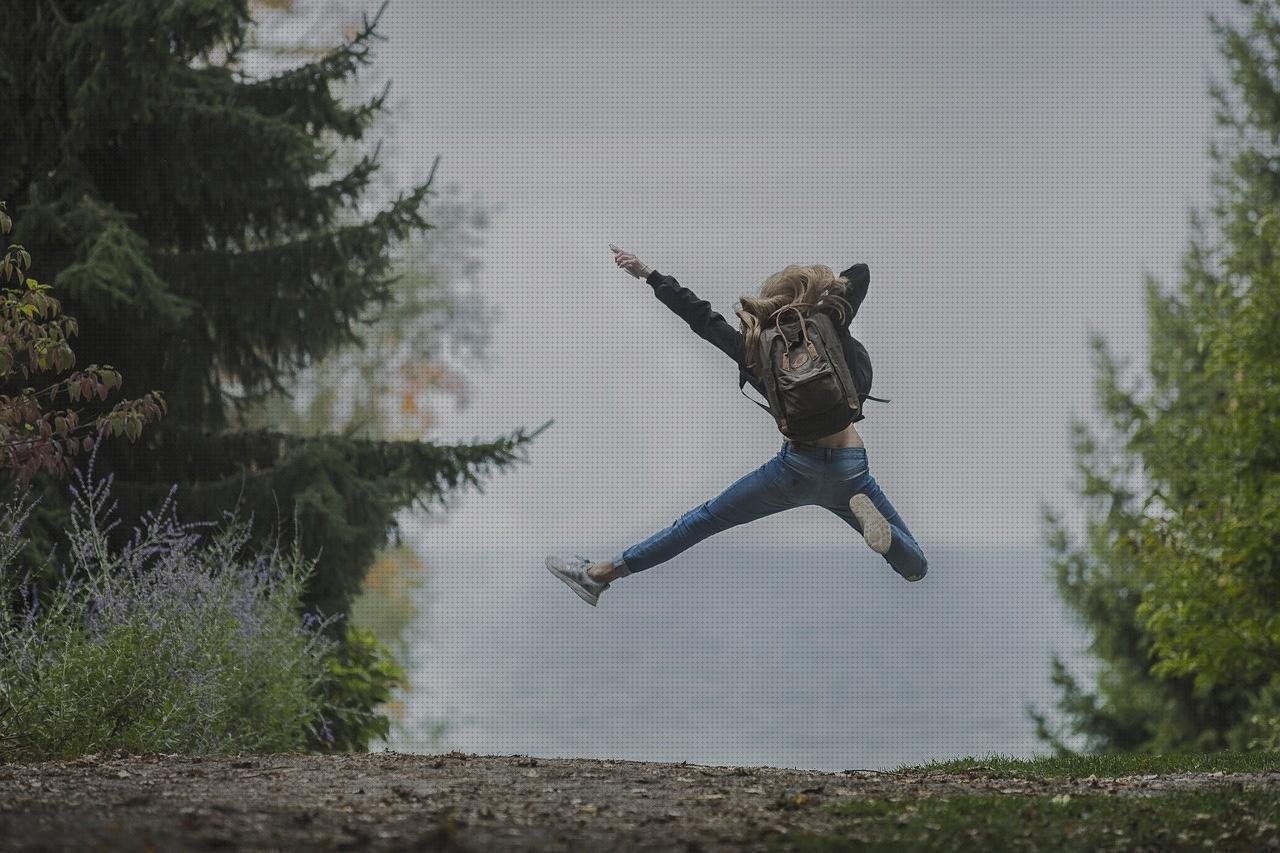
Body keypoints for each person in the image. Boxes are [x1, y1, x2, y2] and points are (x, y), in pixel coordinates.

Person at [545, 245, 928, 606]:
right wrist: (821, 296)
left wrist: (648, 274)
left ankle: (598, 575)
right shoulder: (829, 323)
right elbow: (859, 273)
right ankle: (890, 542)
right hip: (850, 469)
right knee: (916, 567)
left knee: (700, 521)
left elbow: (701, 318)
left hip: (795, 470)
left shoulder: (757, 347)